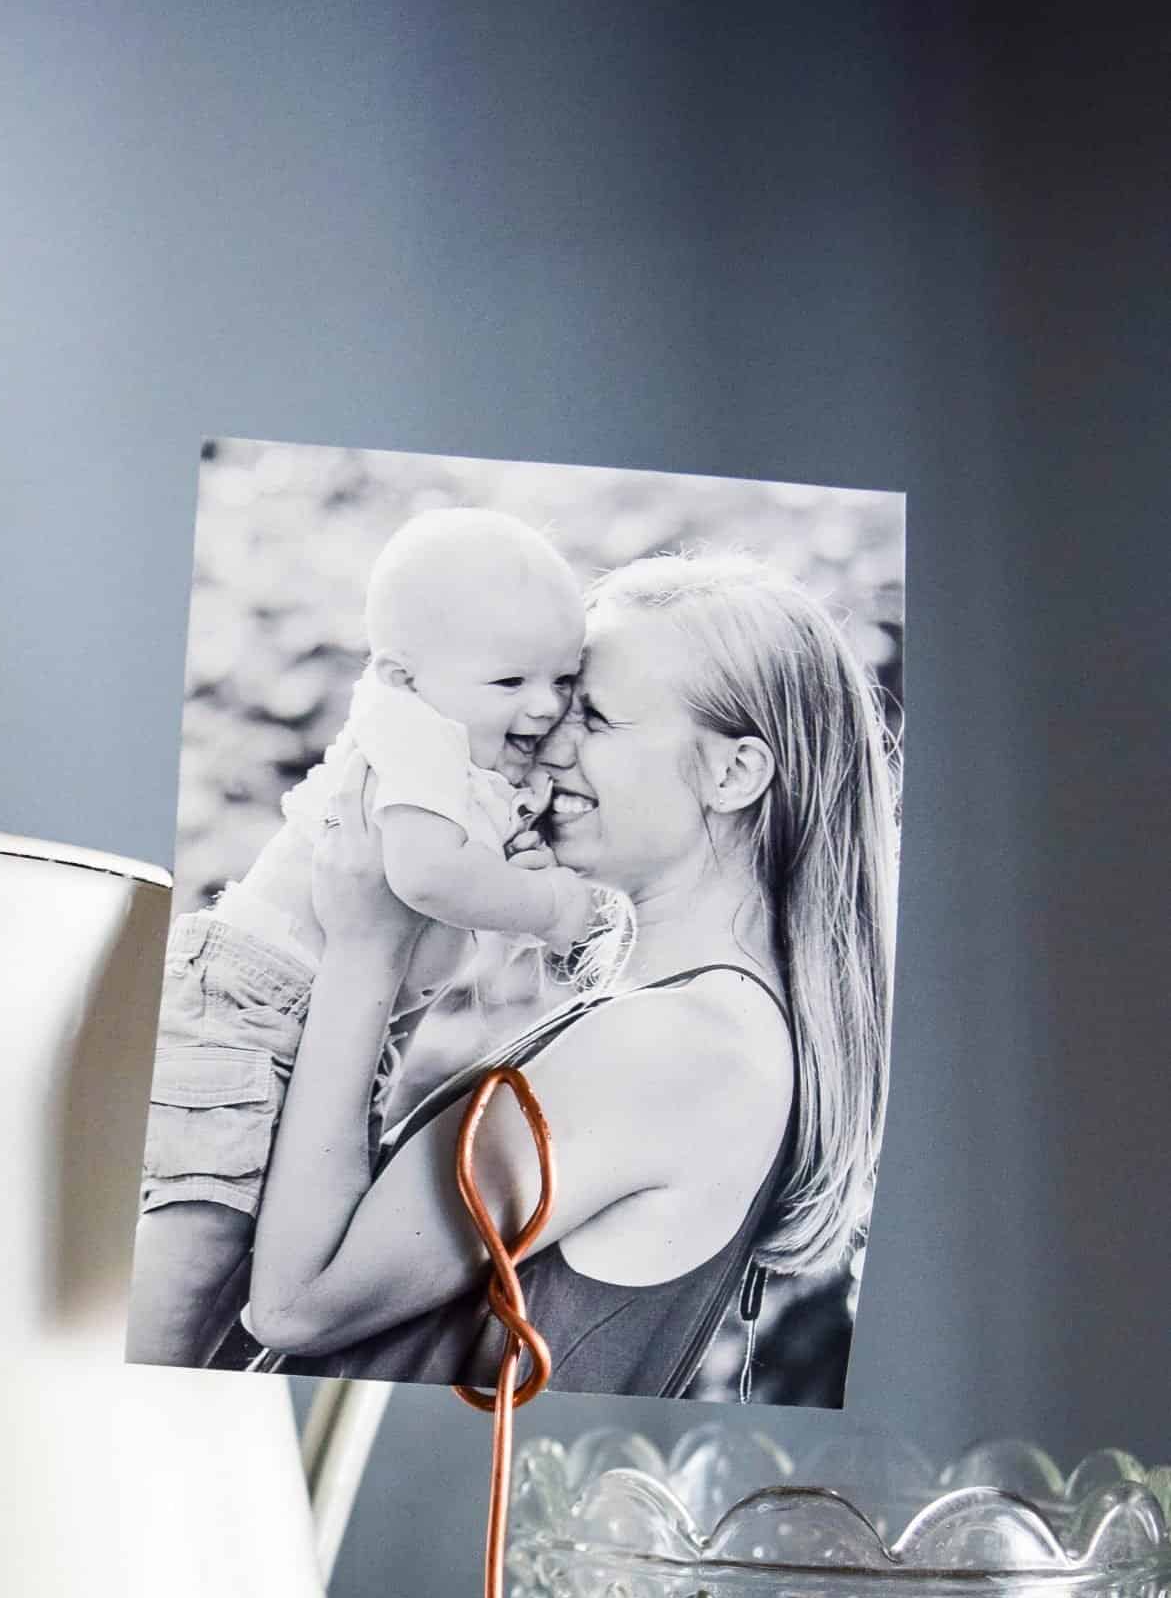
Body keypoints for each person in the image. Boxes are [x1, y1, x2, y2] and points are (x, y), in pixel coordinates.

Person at [241, 550, 898, 1399]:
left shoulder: (675, 1043)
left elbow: (297, 1306)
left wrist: (365, 948)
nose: (544, 742)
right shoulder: (683, 1022)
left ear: (733, 775)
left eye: (594, 716)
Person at [128, 508, 606, 1368]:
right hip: (245, 1004)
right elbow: (423, 875)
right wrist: (555, 909)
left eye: (562, 679)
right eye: (510, 685)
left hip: (310, 1015)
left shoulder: (465, 746)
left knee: (235, 1276)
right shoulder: (410, 732)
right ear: (398, 673)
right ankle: (124, 1386)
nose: (542, 706)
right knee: (190, 1248)